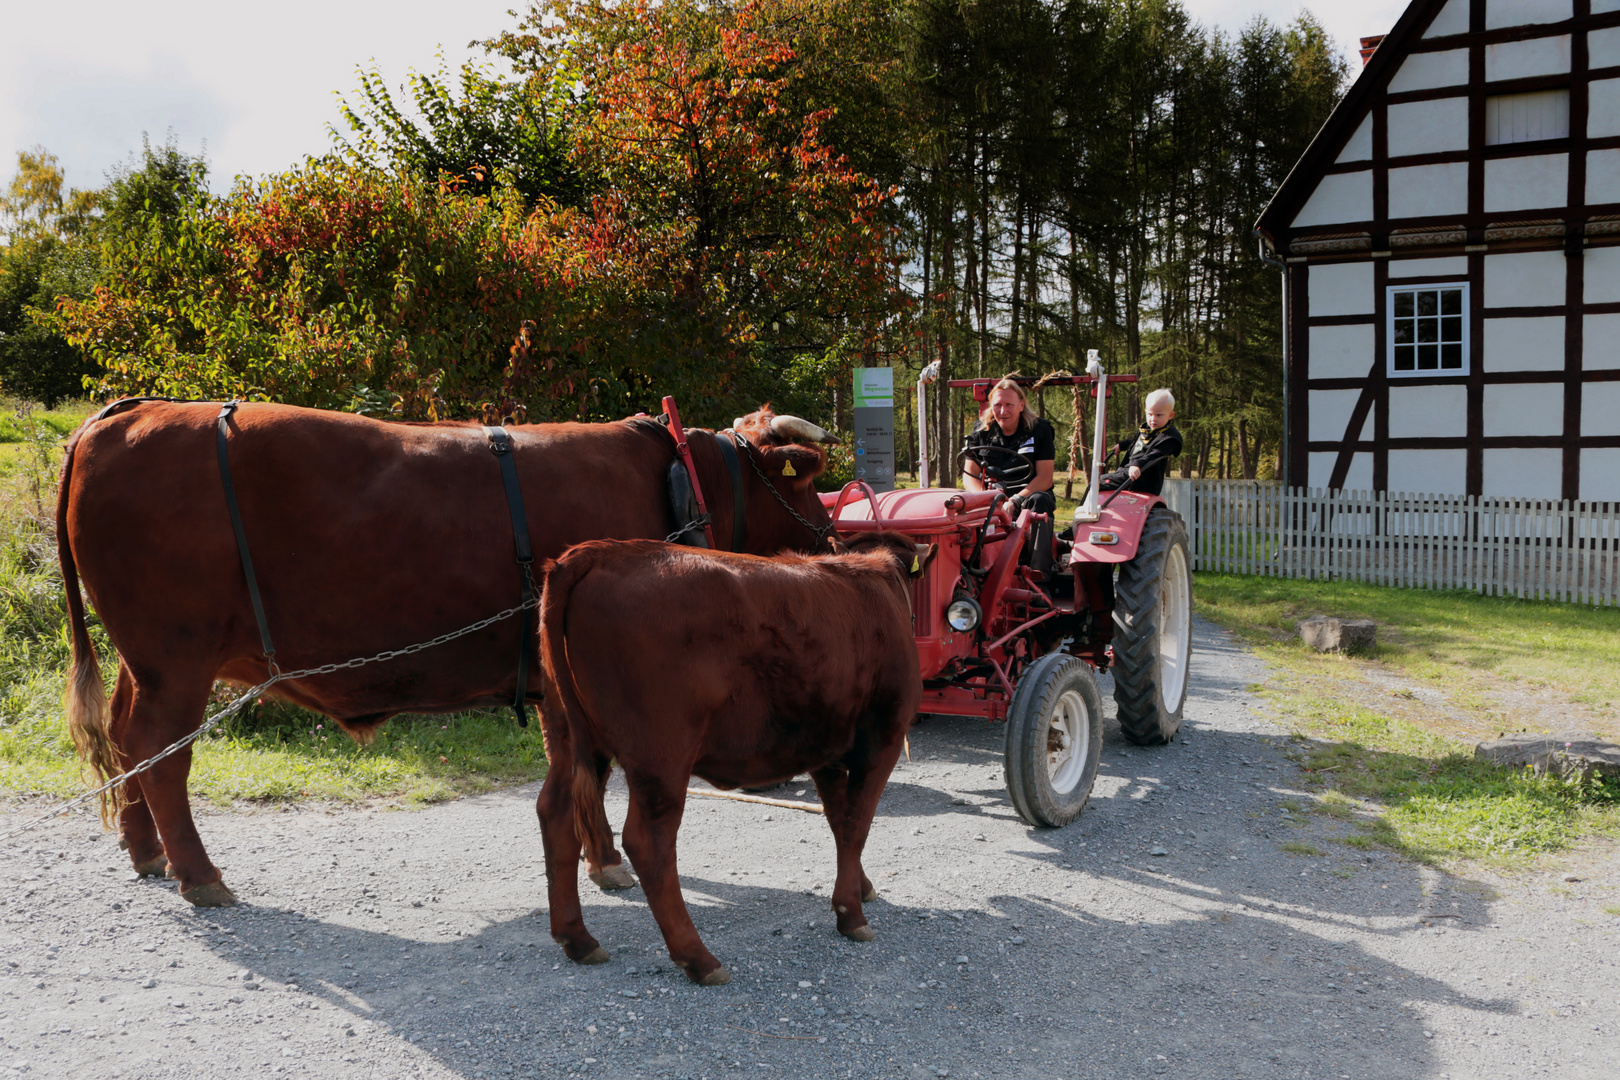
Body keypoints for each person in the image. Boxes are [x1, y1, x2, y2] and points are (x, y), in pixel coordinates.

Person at [962, 377, 1056, 515]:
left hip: (1027, 499)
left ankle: (1033, 536)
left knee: (1039, 499)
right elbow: (969, 477)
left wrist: (1016, 500)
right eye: (997, 405)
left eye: (1009, 405)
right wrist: (986, 499)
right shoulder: (980, 431)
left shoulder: (1040, 430)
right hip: (990, 499)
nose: (1002, 411)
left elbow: (1045, 478)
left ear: (1021, 405)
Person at [1098, 387, 1181, 497]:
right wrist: (1123, 445)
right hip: (1129, 473)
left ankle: (1084, 512)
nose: (1153, 419)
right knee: (1097, 483)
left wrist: (1137, 464)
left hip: (1141, 480)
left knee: (1096, 484)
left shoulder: (1170, 438)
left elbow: (1155, 454)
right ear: (1146, 412)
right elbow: (1139, 444)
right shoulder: (1147, 429)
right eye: (1150, 414)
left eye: (1159, 415)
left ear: (1171, 415)